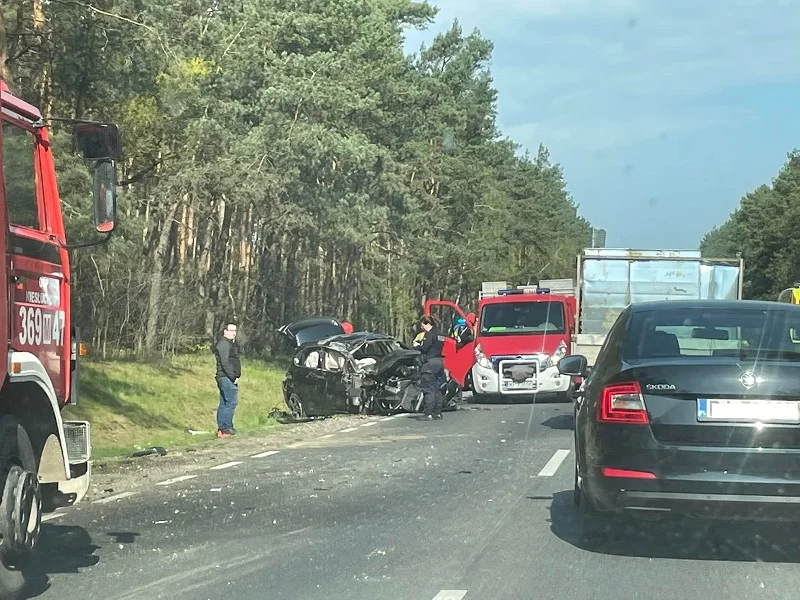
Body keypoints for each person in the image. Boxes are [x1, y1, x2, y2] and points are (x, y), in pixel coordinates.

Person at [213, 322, 241, 438]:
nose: (234, 334)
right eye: (231, 331)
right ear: (225, 331)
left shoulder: (229, 344)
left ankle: (223, 428)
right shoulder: (224, 344)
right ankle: (226, 428)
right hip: (226, 377)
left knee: (225, 402)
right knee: (231, 402)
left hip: (226, 377)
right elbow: (225, 362)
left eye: (235, 331)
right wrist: (233, 376)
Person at [417, 315, 446, 420]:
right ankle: (437, 413)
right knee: (437, 389)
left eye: (422, 325)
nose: (422, 327)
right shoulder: (440, 333)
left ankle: (428, 413)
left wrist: (417, 346)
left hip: (430, 363)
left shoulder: (429, 335)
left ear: (426, 324)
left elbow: (425, 348)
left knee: (428, 389)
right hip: (439, 362)